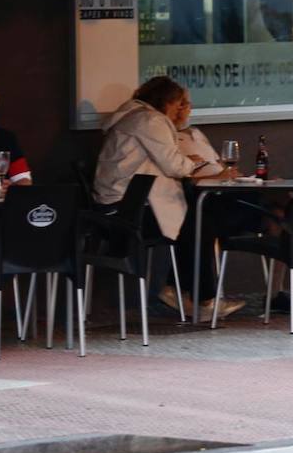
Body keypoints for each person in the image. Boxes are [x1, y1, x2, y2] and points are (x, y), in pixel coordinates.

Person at [93, 76, 246, 321]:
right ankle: (201, 299)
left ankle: (179, 290)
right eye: (178, 104)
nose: (180, 110)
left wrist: (186, 164)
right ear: (165, 101)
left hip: (119, 204)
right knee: (197, 226)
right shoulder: (150, 120)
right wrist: (191, 164)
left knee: (194, 223)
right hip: (128, 210)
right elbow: (173, 165)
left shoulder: (133, 118)